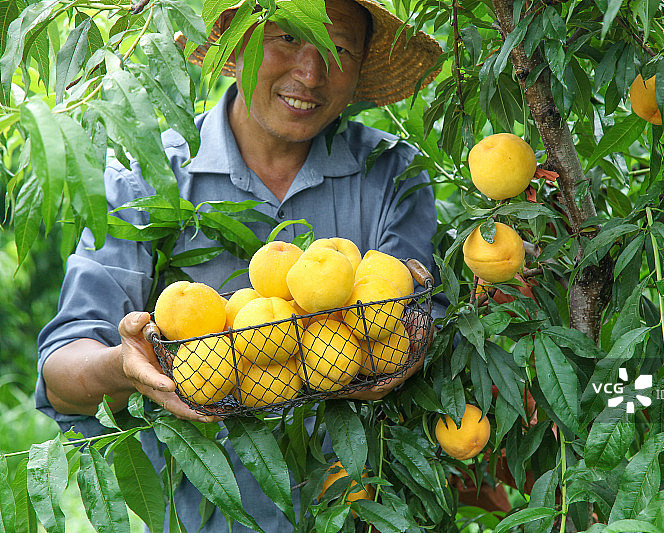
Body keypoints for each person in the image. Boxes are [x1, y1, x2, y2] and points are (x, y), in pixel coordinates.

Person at [35, 0, 442, 530]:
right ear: (238, 40)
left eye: (339, 48)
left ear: (361, 65)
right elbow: (64, 369)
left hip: (363, 512)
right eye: (289, 37)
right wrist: (125, 367)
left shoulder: (393, 176)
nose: (311, 73)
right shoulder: (148, 178)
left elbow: (422, 324)